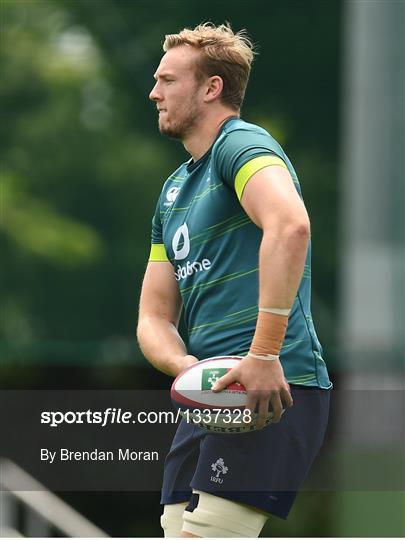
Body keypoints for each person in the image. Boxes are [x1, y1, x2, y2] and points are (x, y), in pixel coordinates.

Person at [137, 22, 332, 538]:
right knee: (176, 530)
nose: (154, 92)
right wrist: (186, 368)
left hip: (273, 385)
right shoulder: (175, 189)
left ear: (211, 87)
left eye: (167, 80)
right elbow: (154, 316)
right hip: (213, 392)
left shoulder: (239, 145)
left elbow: (291, 227)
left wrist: (264, 355)